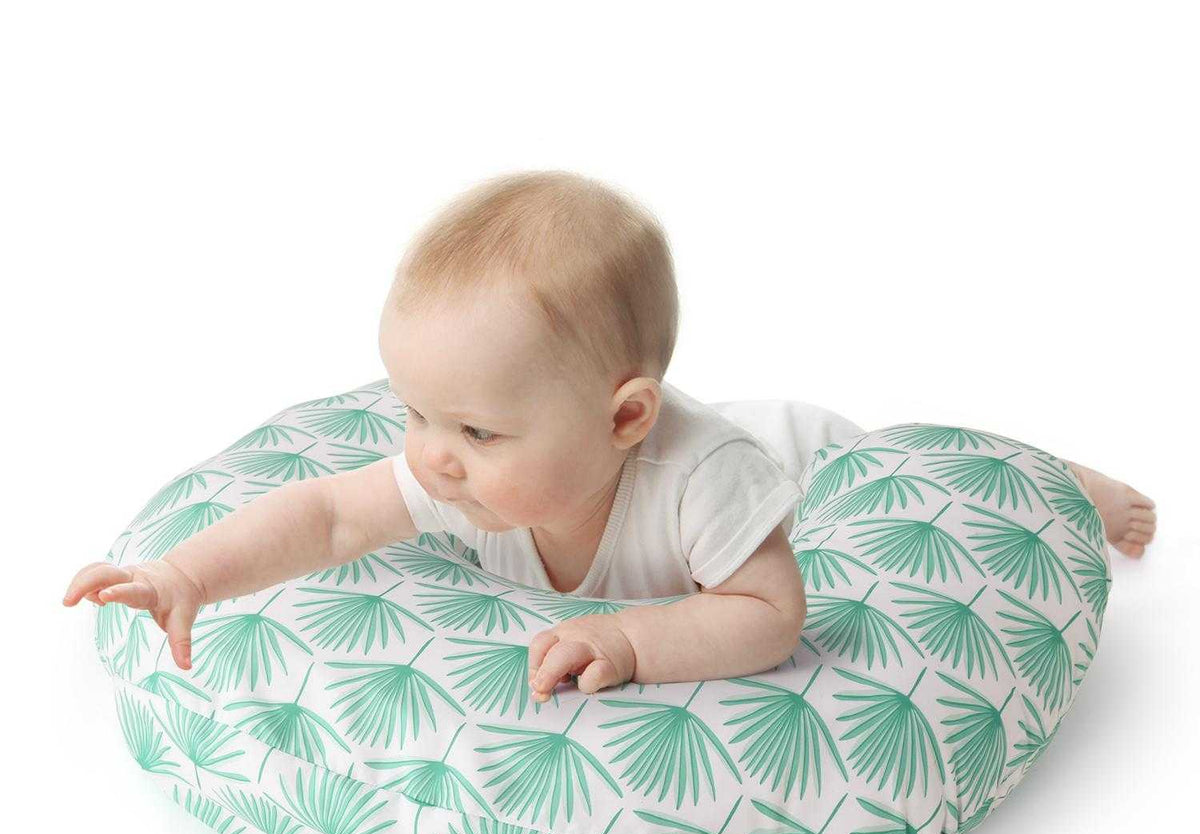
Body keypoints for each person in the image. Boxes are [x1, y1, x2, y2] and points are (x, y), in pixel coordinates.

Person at [62, 170, 1157, 704]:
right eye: (417, 413)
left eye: (475, 427)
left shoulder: (709, 483)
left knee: (923, 459)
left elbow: (771, 613)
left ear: (626, 418)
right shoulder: (462, 471)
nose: (433, 454)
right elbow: (329, 515)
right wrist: (187, 574)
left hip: (806, 460)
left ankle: (1070, 482)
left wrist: (634, 644)